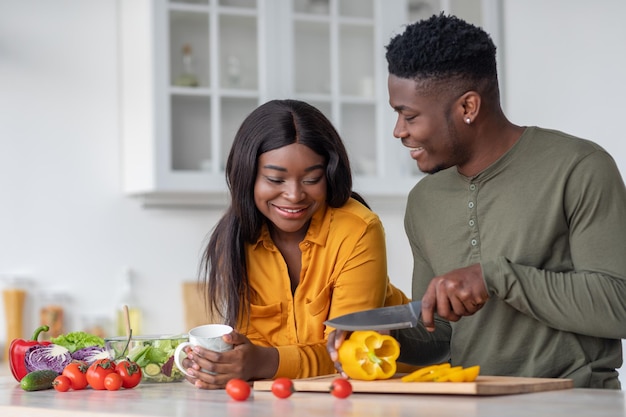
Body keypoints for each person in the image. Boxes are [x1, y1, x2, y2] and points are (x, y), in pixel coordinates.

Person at [328, 13, 626, 389]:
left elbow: (620, 306)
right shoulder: (424, 200)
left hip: (573, 401)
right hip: (472, 401)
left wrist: (495, 278)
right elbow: (441, 336)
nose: (399, 131)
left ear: (468, 107)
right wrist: (386, 337)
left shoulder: (579, 168)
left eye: (410, 115)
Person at [182, 99, 409, 389]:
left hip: (394, 389)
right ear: (247, 177)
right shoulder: (235, 241)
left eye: (311, 179)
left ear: (328, 175)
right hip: (297, 397)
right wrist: (226, 364)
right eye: (276, 179)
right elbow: (252, 347)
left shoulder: (358, 229)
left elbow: (349, 355)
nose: (294, 195)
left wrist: (259, 363)